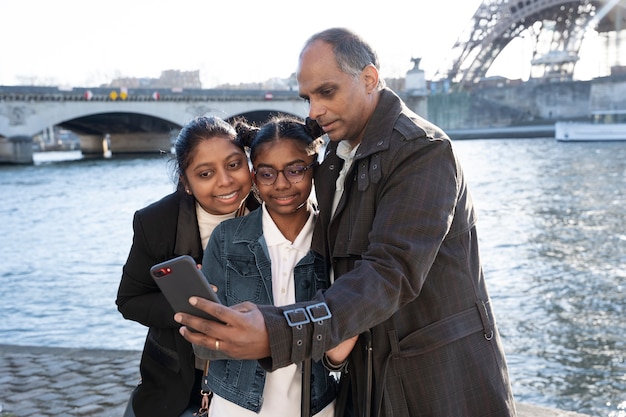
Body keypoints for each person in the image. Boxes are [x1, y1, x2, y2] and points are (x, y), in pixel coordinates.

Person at [175, 27, 517, 416]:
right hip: (370, 378)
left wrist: (277, 332)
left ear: (369, 79)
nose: (313, 111)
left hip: (436, 381)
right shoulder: (338, 154)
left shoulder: (423, 151)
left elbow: (390, 273)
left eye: (326, 92)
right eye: (307, 97)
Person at [116, 115, 258, 417]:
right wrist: (188, 306)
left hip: (255, 377)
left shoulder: (273, 208)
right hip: (180, 379)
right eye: (205, 174)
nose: (225, 180)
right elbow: (129, 301)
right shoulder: (156, 222)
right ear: (187, 183)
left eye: (234, 165)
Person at [198, 115, 339, 417]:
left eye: (296, 170)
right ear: (253, 175)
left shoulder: (334, 241)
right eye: (267, 174)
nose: (282, 184)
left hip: (318, 408)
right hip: (236, 408)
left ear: (314, 168)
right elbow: (205, 345)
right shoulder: (225, 240)